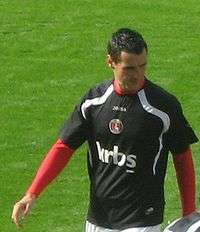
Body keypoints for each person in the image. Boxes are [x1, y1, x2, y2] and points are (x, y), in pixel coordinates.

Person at [12, 28, 199, 232]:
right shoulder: (93, 101)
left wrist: (188, 211)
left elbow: (182, 157)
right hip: (98, 217)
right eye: (129, 68)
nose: (137, 74)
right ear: (111, 62)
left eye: (142, 66)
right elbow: (63, 147)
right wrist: (32, 193)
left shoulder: (162, 106)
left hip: (143, 218)